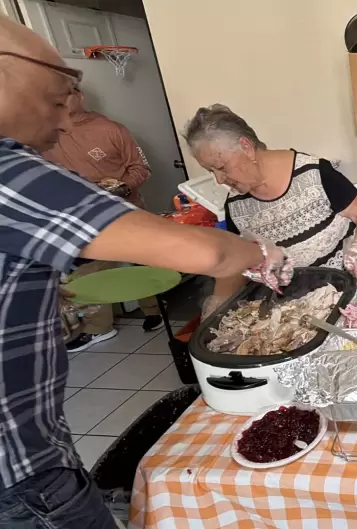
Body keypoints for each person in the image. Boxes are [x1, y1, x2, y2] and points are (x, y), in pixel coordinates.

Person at [0, 18, 291, 528]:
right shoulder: (11, 172)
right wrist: (258, 251)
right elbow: (207, 255)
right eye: (55, 101)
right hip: (19, 472)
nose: (66, 123)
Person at [183, 104, 357, 317]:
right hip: (308, 306)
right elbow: (235, 261)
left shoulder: (313, 172)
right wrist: (217, 304)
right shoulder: (236, 205)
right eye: (210, 171)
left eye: (221, 167)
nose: (218, 179)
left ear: (246, 147)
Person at [43, 86, 164, 349]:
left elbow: (141, 167)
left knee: (144, 261)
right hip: (83, 216)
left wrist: (123, 188)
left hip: (126, 210)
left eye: (65, 95)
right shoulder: (46, 135)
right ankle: (98, 328)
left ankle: (155, 312)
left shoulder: (110, 129)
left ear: (80, 96)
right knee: (87, 272)